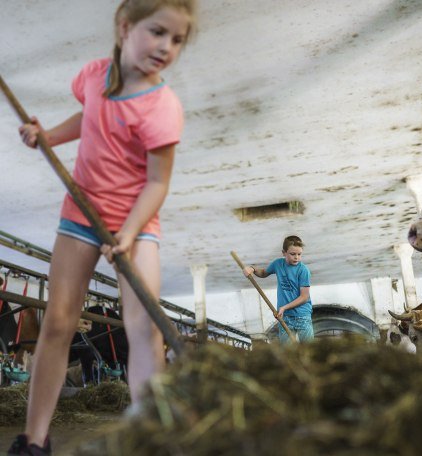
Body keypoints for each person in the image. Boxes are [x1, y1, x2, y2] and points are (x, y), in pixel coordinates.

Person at [8, 1, 197, 454]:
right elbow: (89, 117)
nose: (166, 47)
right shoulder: (94, 75)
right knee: (57, 321)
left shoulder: (162, 107)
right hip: (80, 215)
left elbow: (157, 183)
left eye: (177, 40)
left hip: (135, 224)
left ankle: (150, 440)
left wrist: (130, 233)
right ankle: (34, 440)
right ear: (124, 27)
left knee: (143, 333)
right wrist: (47, 136)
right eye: (158, 32)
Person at [243, 235, 314, 343]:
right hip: (284, 317)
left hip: (302, 316)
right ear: (284, 253)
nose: (296, 257)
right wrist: (252, 269)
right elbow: (263, 273)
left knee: (310, 349)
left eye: (299, 254)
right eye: (292, 254)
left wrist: (284, 307)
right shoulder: (278, 264)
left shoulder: (303, 270)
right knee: (287, 352)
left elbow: (304, 297)